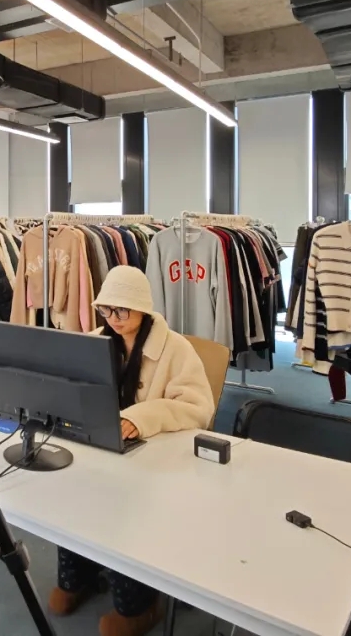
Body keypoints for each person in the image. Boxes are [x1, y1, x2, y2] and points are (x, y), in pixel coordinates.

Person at [47, 265, 216, 636]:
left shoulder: (175, 348)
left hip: (154, 457)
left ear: (142, 307)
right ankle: (78, 576)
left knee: (127, 507)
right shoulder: (95, 340)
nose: (114, 318)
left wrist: (141, 418)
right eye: (107, 309)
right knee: (70, 493)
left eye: (122, 310)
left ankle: (138, 606)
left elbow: (199, 408)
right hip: (103, 447)